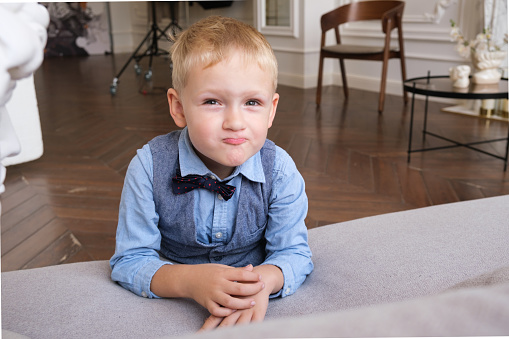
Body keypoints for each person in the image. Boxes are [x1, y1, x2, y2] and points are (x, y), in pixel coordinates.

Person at [110, 16, 313, 331]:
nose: (235, 121)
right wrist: (190, 282)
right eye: (213, 101)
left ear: (271, 110)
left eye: (252, 102)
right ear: (178, 108)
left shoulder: (281, 170)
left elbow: (293, 253)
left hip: (251, 279)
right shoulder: (149, 167)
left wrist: (260, 284)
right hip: (176, 283)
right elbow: (130, 260)